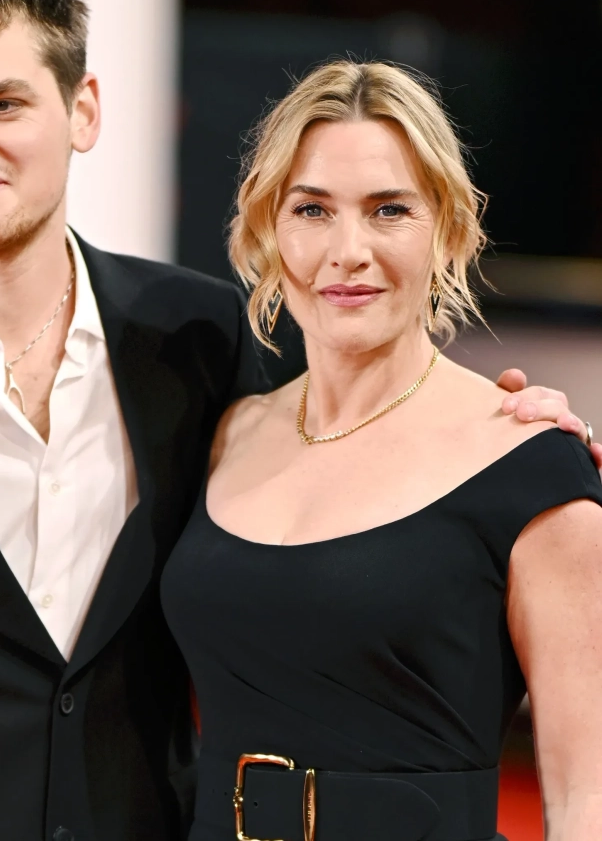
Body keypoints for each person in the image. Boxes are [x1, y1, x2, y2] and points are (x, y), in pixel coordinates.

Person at [0, 0, 593, 841]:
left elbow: (347, 511)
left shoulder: (195, 336)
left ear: (83, 110)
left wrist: (520, 443)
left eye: (1, 104)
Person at [160, 60, 602, 841]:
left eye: (388, 210)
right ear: (268, 228)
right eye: (312, 210)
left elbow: (585, 795)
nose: (348, 251)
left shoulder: (531, 461)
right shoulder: (228, 434)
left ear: (448, 229)